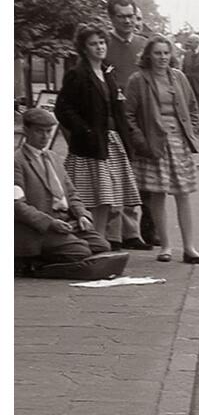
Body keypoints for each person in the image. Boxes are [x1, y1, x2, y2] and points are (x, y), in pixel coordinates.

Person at [54, 24, 143, 251]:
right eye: (93, 44)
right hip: (90, 144)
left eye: (102, 43)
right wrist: (84, 130)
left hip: (111, 142)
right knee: (91, 195)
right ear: (84, 48)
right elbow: (63, 108)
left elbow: (117, 109)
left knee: (107, 196)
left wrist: (127, 138)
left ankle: (99, 240)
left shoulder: (107, 71)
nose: (99, 47)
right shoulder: (77, 74)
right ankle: (89, 241)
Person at [123, 35, 199, 264]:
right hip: (154, 143)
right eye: (157, 53)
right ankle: (166, 246)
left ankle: (190, 248)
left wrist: (193, 131)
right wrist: (141, 140)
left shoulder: (178, 77)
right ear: (148, 55)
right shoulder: (138, 80)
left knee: (183, 194)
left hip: (178, 142)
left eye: (165, 53)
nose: (162, 58)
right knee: (157, 195)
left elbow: (191, 105)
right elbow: (128, 114)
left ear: (171, 55)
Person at [14, 107, 116, 274]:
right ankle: (34, 264)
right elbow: (17, 205)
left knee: (102, 246)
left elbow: (71, 193)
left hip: (67, 221)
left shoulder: (53, 158)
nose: (45, 137)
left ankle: (65, 251)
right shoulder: (16, 161)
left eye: (48, 131)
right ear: (26, 131)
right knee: (80, 251)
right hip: (40, 228)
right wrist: (49, 223)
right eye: (39, 131)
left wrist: (82, 214)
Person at [102, 0, 152, 248]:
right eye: (121, 17)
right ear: (112, 18)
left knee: (136, 178)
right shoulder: (103, 46)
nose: (127, 21)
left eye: (131, 16)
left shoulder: (144, 46)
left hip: (141, 121)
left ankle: (133, 233)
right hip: (112, 121)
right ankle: (114, 234)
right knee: (113, 177)